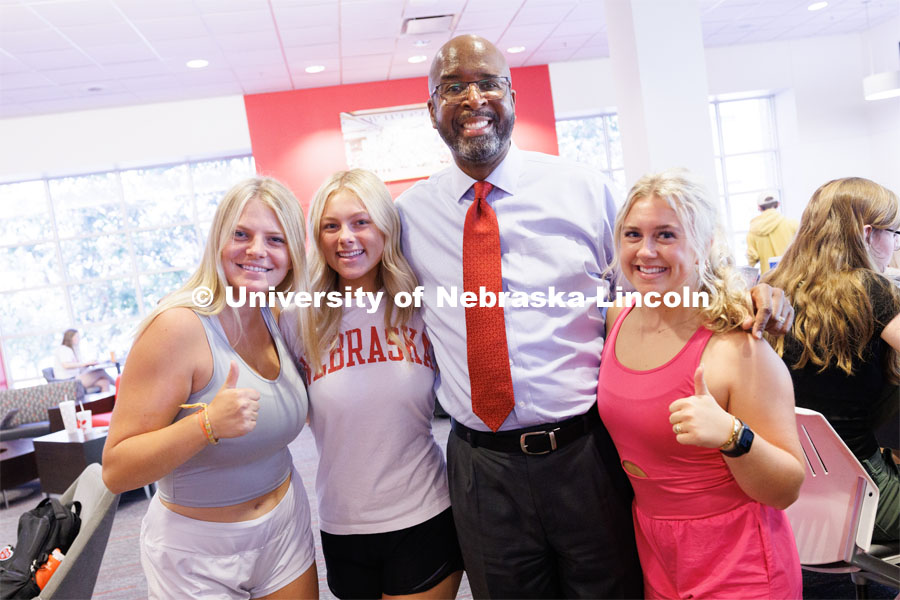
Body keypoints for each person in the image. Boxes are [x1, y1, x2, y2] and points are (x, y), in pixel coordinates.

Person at [395, 34, 795, 598]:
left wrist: (744, 297)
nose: (472, 98)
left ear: (512, 95)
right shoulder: (408, 216)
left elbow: (648, 285)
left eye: (488, 83)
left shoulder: (581, 190)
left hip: (585, 454)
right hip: (482, 464)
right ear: (431, 108)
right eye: (453, 87)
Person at [101, 177, 321, 599]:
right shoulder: (177, 327)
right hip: (197, 552)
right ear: (218, 240)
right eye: (241, 234)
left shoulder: (276, 313)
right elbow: (116, 471)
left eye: (275, 239)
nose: (257, 250)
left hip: (285, 528)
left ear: (293, 255)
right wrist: (206, 425)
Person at [597, 169, 804, 598]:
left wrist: (733, 435)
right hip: (655, 549)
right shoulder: (619, 316)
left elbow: (787, 487)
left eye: (667, 235)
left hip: (738, 559)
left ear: (706, 243)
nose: (645, 250)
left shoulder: (738, 346)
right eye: (633, 234)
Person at [280, 169, 463, 599]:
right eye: (331, 225)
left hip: (424, 512)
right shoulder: (297, 318)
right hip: (342, 522)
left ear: (385, 226)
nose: (346, 237)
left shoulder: (421, 306)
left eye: (360, 221)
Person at [766, 177, 900, 542]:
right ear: (869, 234)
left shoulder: (776, 287)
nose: (895, 244)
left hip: (797, 496)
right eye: (894, 232)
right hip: (864, 496)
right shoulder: (870, 289)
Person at [746, 191, 799, 274]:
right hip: (791, 277)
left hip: (768, 280)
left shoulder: (753, 231)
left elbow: (751, 259)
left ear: (759, 207)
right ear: (778, 204)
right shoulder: (793, 225)